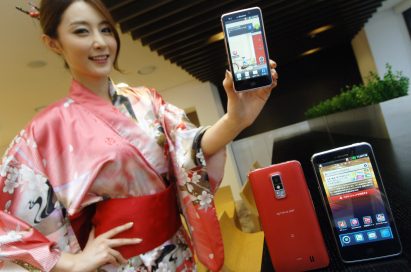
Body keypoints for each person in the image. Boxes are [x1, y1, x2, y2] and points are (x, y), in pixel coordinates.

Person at [0, 0, 278, 271]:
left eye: (106, 29)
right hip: (120, 264)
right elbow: (6, 222)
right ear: (53, 43)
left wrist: (236, 119)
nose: (100, 42)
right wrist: (70, 262)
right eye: (82, 31)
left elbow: (187, 150)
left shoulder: (146, 100)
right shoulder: (46, 130)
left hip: (177, 252)